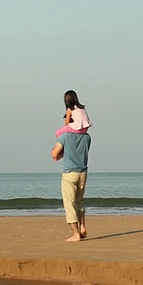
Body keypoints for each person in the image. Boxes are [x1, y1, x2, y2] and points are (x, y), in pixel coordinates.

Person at [51, 91, 92, 242]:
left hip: (70, 173)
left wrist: (54, 152)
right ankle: (82, 226)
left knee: (69, 204)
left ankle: (76, 234)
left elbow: (56, 155)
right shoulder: (87, 137)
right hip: (83, 172)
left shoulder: (65, 136)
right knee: (80, 201)